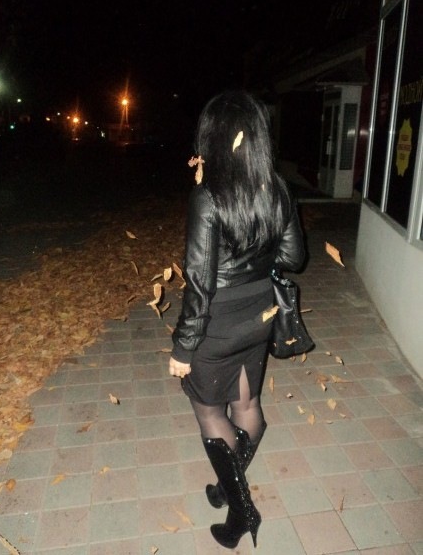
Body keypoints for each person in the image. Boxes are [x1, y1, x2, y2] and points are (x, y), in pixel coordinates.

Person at [168, 90, 305, 549]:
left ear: (215, 138)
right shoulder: (277, 188)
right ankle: (228, 486)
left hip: (218, 327)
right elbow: (294, 257)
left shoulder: (208, 197)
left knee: (211, 412)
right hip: (260, 314)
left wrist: (184, 347)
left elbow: (199, 283)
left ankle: (243, 513)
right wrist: (258, 254)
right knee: (246, 407)